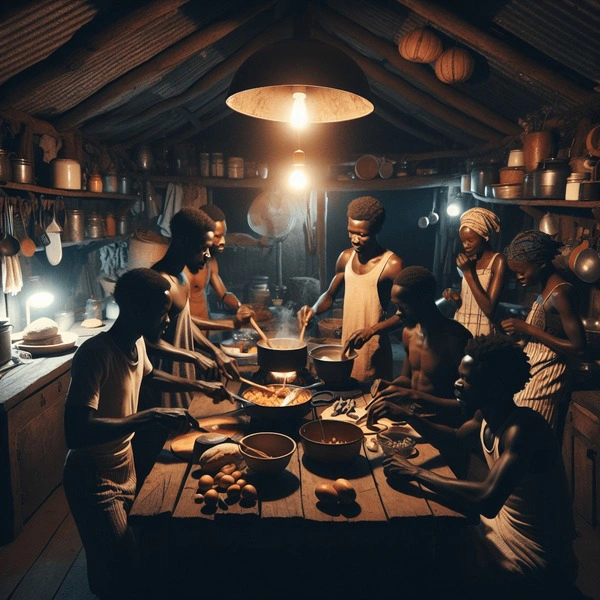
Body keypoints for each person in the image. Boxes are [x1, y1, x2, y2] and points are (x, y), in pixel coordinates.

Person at [63, 268, 231, 598]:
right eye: (162, 312)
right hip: (93, 475)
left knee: (117, 559)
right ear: (136, 311)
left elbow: (150, 376)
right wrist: (149, 416)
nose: (168, 320)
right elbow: (76, 432)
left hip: (123, 464)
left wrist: (199, 385)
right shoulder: (95, 355)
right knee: (119, 565)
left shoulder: (136, 342)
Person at [371, 334, 580, 598]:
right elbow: (457, 439)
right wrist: (410, 416)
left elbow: (486, 499)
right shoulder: (488, 413)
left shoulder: (523, 429)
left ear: (496, 386)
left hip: (535, 557)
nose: (458, 383)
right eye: (460, 375)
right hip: (503, 531)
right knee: (422, 544)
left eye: (469, 379)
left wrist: (415, 472)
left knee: (424, 565)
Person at [146, 207, 254, 410]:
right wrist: (196, 357)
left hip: (182, 383)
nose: (207, 255)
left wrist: (215, 352)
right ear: (183, 243)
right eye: (203, 248)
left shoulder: (182, 279)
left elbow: (184, 324)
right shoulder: (157, 283)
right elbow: (149, 344)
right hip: (161, 392)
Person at [297, 196, 403, 384]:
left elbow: (407, 314)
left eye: (362, 234)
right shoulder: (345, 258)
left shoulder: (392, 265)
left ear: (377, 230)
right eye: (350, 232)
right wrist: (312, 309)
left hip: (375, 352)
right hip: (346, 350)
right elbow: (329, 295)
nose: (355, 239)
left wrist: (372, 330)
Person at [501, 230, 587, 432]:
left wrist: (527, 328)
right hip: (533, 373)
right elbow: (548, 332)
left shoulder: (561, 293)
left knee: (530, 438)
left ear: (540, 264)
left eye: (522, 271)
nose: (519, 277)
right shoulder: (544, 290)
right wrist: (521, 335)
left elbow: (579, 347)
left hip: (547, 379)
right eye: (515, 272)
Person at [372, 266, 473, 422]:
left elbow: (468, 404)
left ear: (423, 301)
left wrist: (412, 395)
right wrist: (391, 386)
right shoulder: (409, 333)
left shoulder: (455, 338)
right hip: (412, 417)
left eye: (403, 307)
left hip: (444, 424)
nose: (398, 313)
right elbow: (408, 379)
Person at [442, 206, 507, 336]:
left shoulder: (497, 261)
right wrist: (457, 299)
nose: (466, 245)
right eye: (463, 241)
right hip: (461, 325)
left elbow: (488, 309)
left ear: (485, 237)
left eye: (471, 240)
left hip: (482, 331)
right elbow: (471, 300)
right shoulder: (470, 261)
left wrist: (467, 272)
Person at [185, 203, 245, 322]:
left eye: (224, 235)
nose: (223, 241)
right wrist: (229, 325)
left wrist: (240, 307)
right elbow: (181, 317)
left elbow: (223, 294)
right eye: (217, 236)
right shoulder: (184, 267)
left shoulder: (210, 261)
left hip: (205, 334)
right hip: (190, 336)